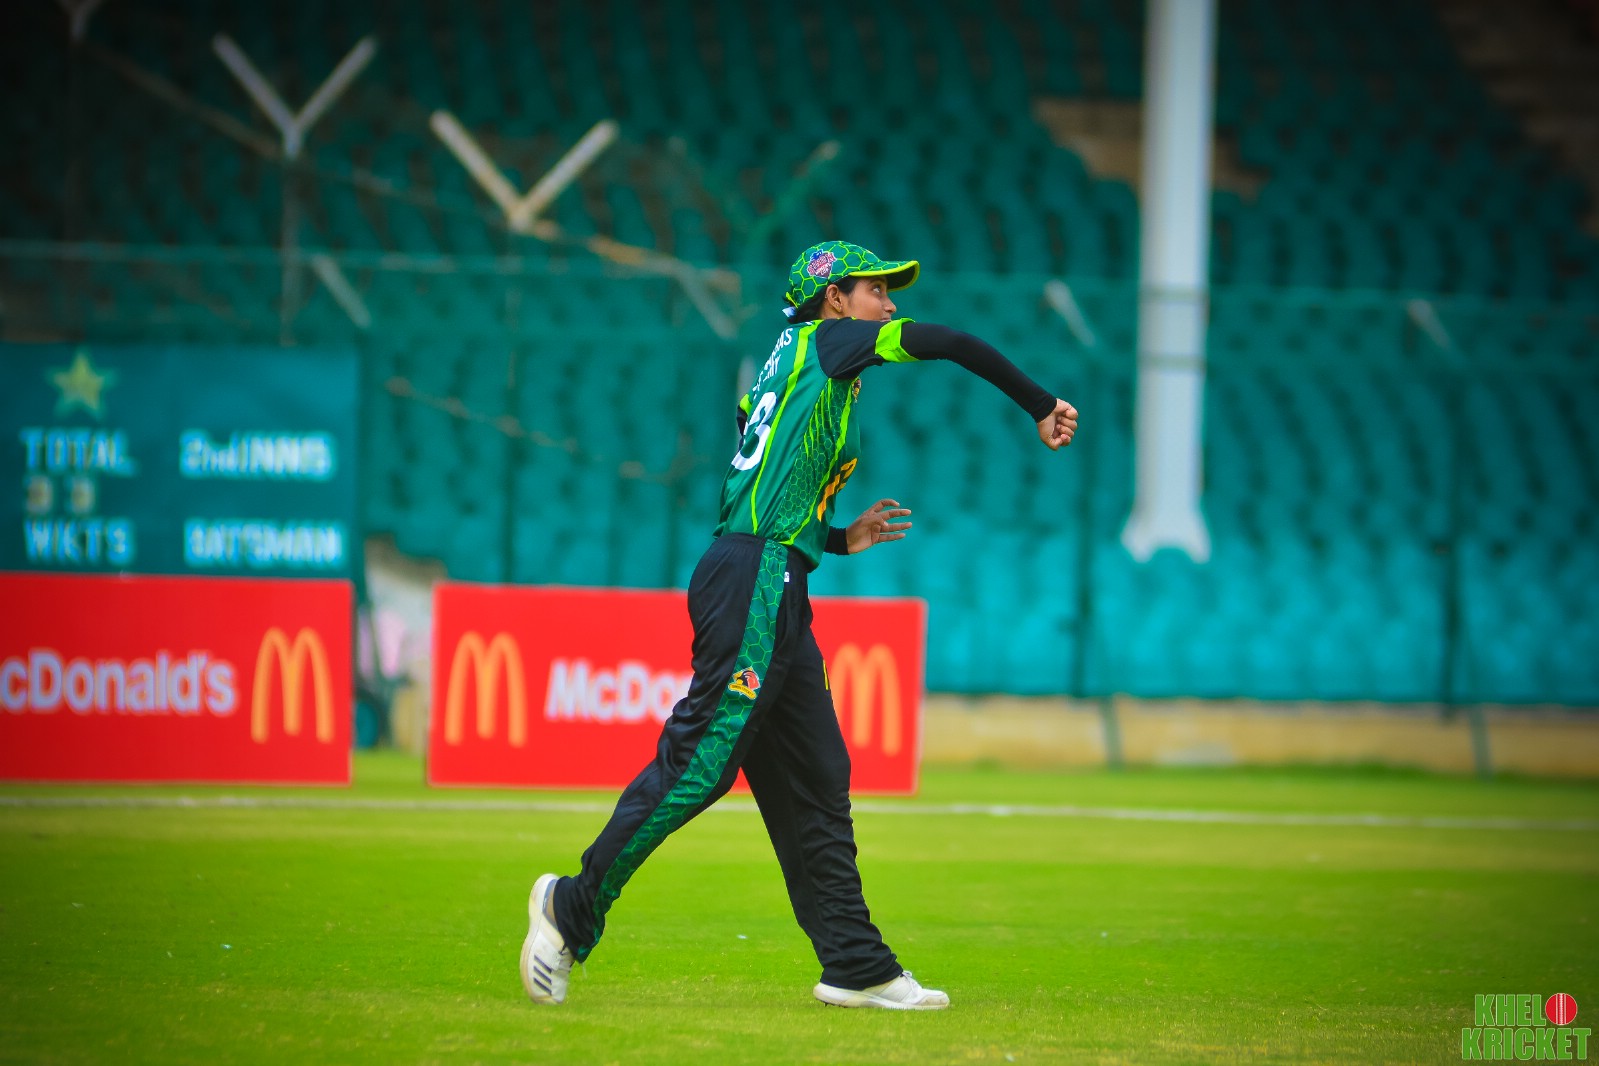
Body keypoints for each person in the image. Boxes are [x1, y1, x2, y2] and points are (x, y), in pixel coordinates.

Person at [521, 240, 1078, 1010]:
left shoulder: (793, 363)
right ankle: (571, 906)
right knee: (702, 763)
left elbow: (771, 482)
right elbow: (949, 342)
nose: (889, 302)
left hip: (770, 573)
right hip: (753, 576)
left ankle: (855, 965)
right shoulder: (831, 340)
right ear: (833, 298)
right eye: (875, 289)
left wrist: (840, 539)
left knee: (816, 774)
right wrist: (1039, 403)